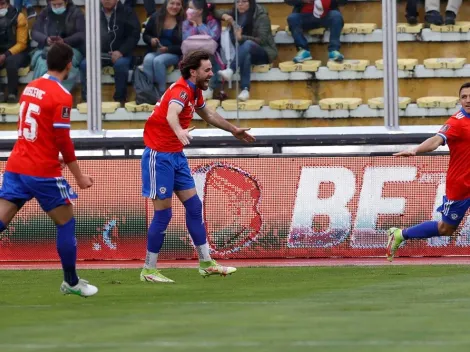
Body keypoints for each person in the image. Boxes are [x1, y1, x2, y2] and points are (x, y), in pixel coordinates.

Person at [140, 50, 256, 283]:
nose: (211, 73)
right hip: (159, 157)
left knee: (194, 207)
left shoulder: (194, 92)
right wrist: (178, 131)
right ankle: (149, 270)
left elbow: (208, 114)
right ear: (193, 72)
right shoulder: (181, 91)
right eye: (207, 70)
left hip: (176, 156)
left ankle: (206, 263)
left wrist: (233, 130)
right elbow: (172, 113)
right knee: (163, 214)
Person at [0, 43, 98, 297]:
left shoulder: (29, 88)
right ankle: (71, 282)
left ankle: (72, 281)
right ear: (69, 65)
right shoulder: (61, 95)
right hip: (41, 170)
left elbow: (34, 128)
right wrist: (78, 175)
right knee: (66, 222)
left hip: (17, 165)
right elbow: (63, 139)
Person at [387, 82, 470, 262]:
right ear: (459, 100)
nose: (468, 100)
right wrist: (416, 150)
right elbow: (436, 140)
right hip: (461, 185)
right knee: (445, 229)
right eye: (464, 97)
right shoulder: (456, 123)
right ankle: (401, 234)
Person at [79, 0, 140, 104]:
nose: (107, 1)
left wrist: (121, 51)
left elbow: (134, 35)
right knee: (85, 65)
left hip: (121, 53)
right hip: (98, 53)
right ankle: (87, 100)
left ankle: (120, 99)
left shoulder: (127, 12)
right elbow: (85, 35)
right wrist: (93, 52)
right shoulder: (93, 11)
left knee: (121, 65)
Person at [215, 0, 278, 102]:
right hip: (245, 52)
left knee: (247, 44)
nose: (240, 4)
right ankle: (245, 90)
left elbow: (262, 40)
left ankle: (231, 69)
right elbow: (214, 12)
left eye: (244, 1)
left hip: (264, 52)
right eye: (238, 2)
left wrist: (241, 38)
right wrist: (226, 16)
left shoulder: (261, 16)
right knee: (246, 55)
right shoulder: (235, 13)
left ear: (251, 3)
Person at [31, 0, 85, 93]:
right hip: (48, 48)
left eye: (59, 4)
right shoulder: (45, 12)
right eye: (54, 5)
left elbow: (82, 34)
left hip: (71, 48)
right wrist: (46, 39)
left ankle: (59, 94)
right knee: (42, 63)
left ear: (66, 2)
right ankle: (41, 94)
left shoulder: (76, 12)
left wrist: (64, 41)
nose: (56, 7)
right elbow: (34, 32)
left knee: (63, 63)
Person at [142, 0, 184, 97]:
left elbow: (184, 46)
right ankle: (149, 91)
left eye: (178, 4)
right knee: (148, 59)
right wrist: (151, 40)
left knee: (158, 61)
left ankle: (162, 94)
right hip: (157, 51)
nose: (175, 7)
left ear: (181, 6)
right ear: (166, 4)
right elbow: (145, 35)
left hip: (175, 53)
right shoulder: (156, 17)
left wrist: (168, 49)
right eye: (172, 3)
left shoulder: (183, 20)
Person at [182, 0, 222, 100]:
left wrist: (200, 24)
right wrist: (194, 27)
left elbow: (213, 37)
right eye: (188, 8)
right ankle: (190, 89)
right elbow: (184, 38)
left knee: (206, 57)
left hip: (210, 53)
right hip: (191, 53)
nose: (188, 10)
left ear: (200, 10)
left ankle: (208, 89)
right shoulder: (186, 23)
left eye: (191, 8)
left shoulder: (212, 22)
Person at [0, 0, 30, 103]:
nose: (0, 7)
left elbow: (22, 43)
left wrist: (6, 54)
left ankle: (13, 94)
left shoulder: (19, 16)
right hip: (2, 52)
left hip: (19, 52)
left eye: (2, 3)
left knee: (11, 61)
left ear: (8, 4)